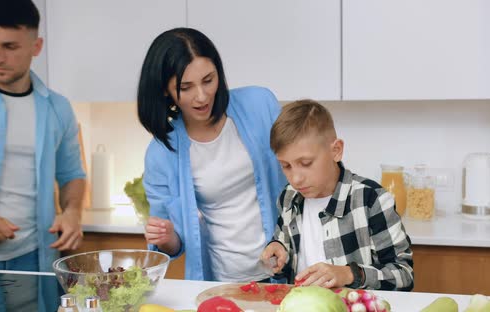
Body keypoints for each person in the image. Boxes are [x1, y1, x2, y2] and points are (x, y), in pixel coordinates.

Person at [137, 28, 287, 282]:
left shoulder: (260, 104)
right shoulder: (162, 153)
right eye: (186, 87)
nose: (202, 96)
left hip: (285, 271)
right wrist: (166, 237)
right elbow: (173, 247)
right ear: (165, 90)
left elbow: (299, 171)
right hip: (225, 280)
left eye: (208, 80)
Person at [261, 99, 414, 291]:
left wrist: (349, 274)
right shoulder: (288, 197)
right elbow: (288, 254)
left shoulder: (371, 199)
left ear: (336, 151)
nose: (296, 178)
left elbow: (404, 275)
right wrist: (278, 254)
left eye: (306, 163)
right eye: (286, 166)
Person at [0, 1, 86, 311]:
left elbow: (72, 173)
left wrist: (73, 211)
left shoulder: (57, 108)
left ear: (36, 46)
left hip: (34, 256)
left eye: (9, 46)